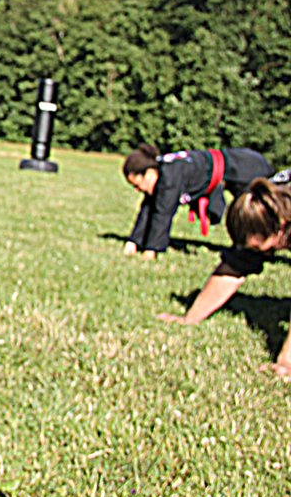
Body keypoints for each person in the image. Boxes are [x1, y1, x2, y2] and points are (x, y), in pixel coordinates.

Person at [157, 174, 291, 379]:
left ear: (281, 227)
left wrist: (286, 362)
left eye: (260, 247)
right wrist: (189, 319)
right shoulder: (263, 202)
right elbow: (235, 267)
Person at [122, 144, 274, 259]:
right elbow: (149, 207)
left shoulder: (170, 177)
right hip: (236, 165)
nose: (137, 190)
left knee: (257, 212)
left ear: (148, 173)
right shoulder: (164, 170)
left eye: (137, 185)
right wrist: (134, 241)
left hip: (246, 167)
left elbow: (162, 213)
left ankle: (263, 246)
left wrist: (151, 250)